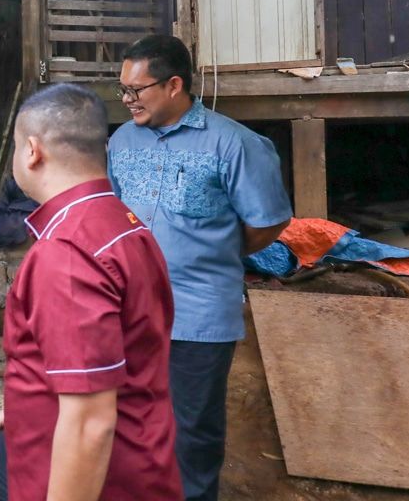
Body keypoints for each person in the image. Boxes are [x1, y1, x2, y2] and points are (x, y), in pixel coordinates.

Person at [0, 83, 182, 501]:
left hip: (101, 475)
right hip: (142, 449)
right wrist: (27, 408)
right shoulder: (122, 220)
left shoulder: (66, 253)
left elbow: (89, 425)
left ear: (32, 151)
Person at [108, 34, 291, 501]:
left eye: (136, 90)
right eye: (122, 89)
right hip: (129, 312)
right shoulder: (122, 141)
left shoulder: (234, 144)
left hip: (198, 315)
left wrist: (214, 252)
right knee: (130, 421)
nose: (127, 100)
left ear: (173, 85)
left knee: (192, 432)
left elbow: (268, 222)